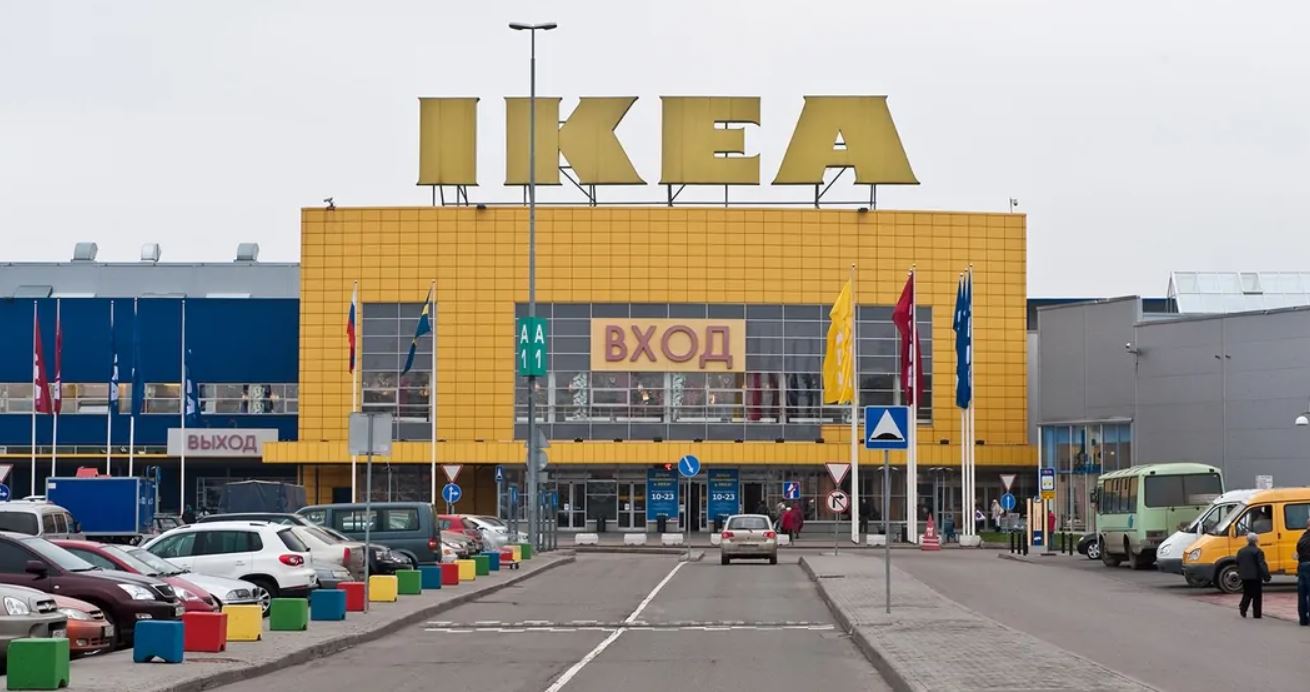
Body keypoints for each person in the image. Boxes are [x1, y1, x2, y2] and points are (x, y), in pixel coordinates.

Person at [1236, 532, 1271, 618]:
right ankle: (1257, 613)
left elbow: (1237, 562)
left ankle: (1243, 607)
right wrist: (1266, 575)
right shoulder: (1258, 551)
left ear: (1247, 540)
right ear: (1256, 540)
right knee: (1257, 595)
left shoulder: (1241, 551)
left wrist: (1241, 572)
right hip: (1255, 576)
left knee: (1247, 592)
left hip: (1244, 576)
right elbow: (1261, 564)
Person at [1297, 517, 1310, 626]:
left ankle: (1303, 619)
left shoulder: (1302, 538)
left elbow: (1298, 551)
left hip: (1302, 566)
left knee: (1302, 594)